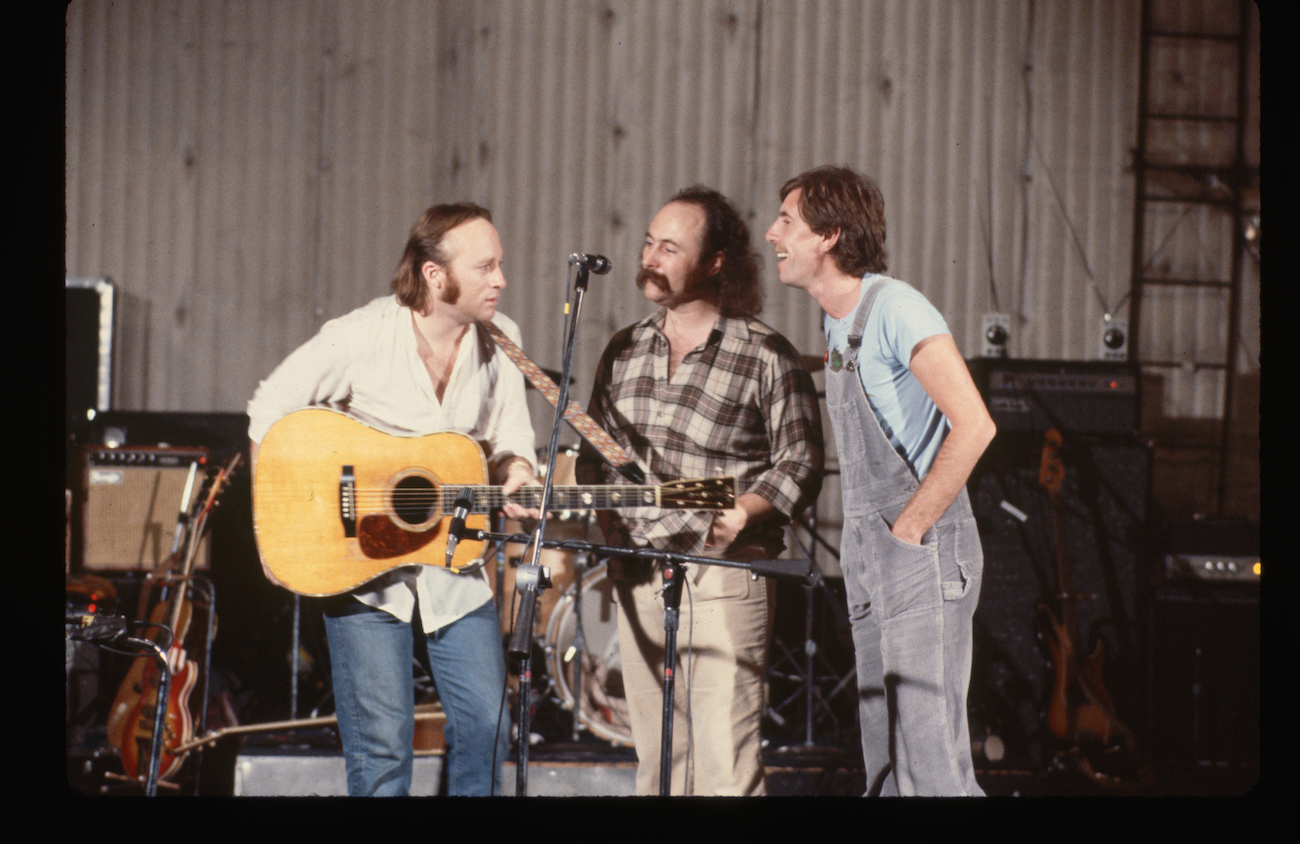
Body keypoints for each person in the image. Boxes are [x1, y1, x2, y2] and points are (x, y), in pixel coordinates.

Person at [246, 202, 541, 796]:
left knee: (488, 723)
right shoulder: (361, 335)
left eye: (500, 265)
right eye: (486, 267)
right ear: (436, 275)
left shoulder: (502, 341)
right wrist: (273, 531)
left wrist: (520, 471)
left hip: (455, 562)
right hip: (360, 566)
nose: (501, 281)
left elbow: (512, 437)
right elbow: (266, 409)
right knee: (382, 746)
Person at [576, 185, 823, 796]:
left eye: (670, 247)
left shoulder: (765, 353)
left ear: (715, 262)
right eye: (648, 243)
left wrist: (743, 511)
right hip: (638, 574)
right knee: (659, 766)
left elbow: (801, 461)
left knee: (722, 769)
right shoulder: (624, 349)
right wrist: (613, 534)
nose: (650, 258)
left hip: (724, 573)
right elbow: (592, 459)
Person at [766, 165, 996, 796]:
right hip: (877, 550)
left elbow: (975, 426)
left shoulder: (896, 307)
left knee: (932, 761)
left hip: (919, 548)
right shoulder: (836, 323)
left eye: (787, 221)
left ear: (830, 236)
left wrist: (910, 528)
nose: (771, 234)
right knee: (886, 756)